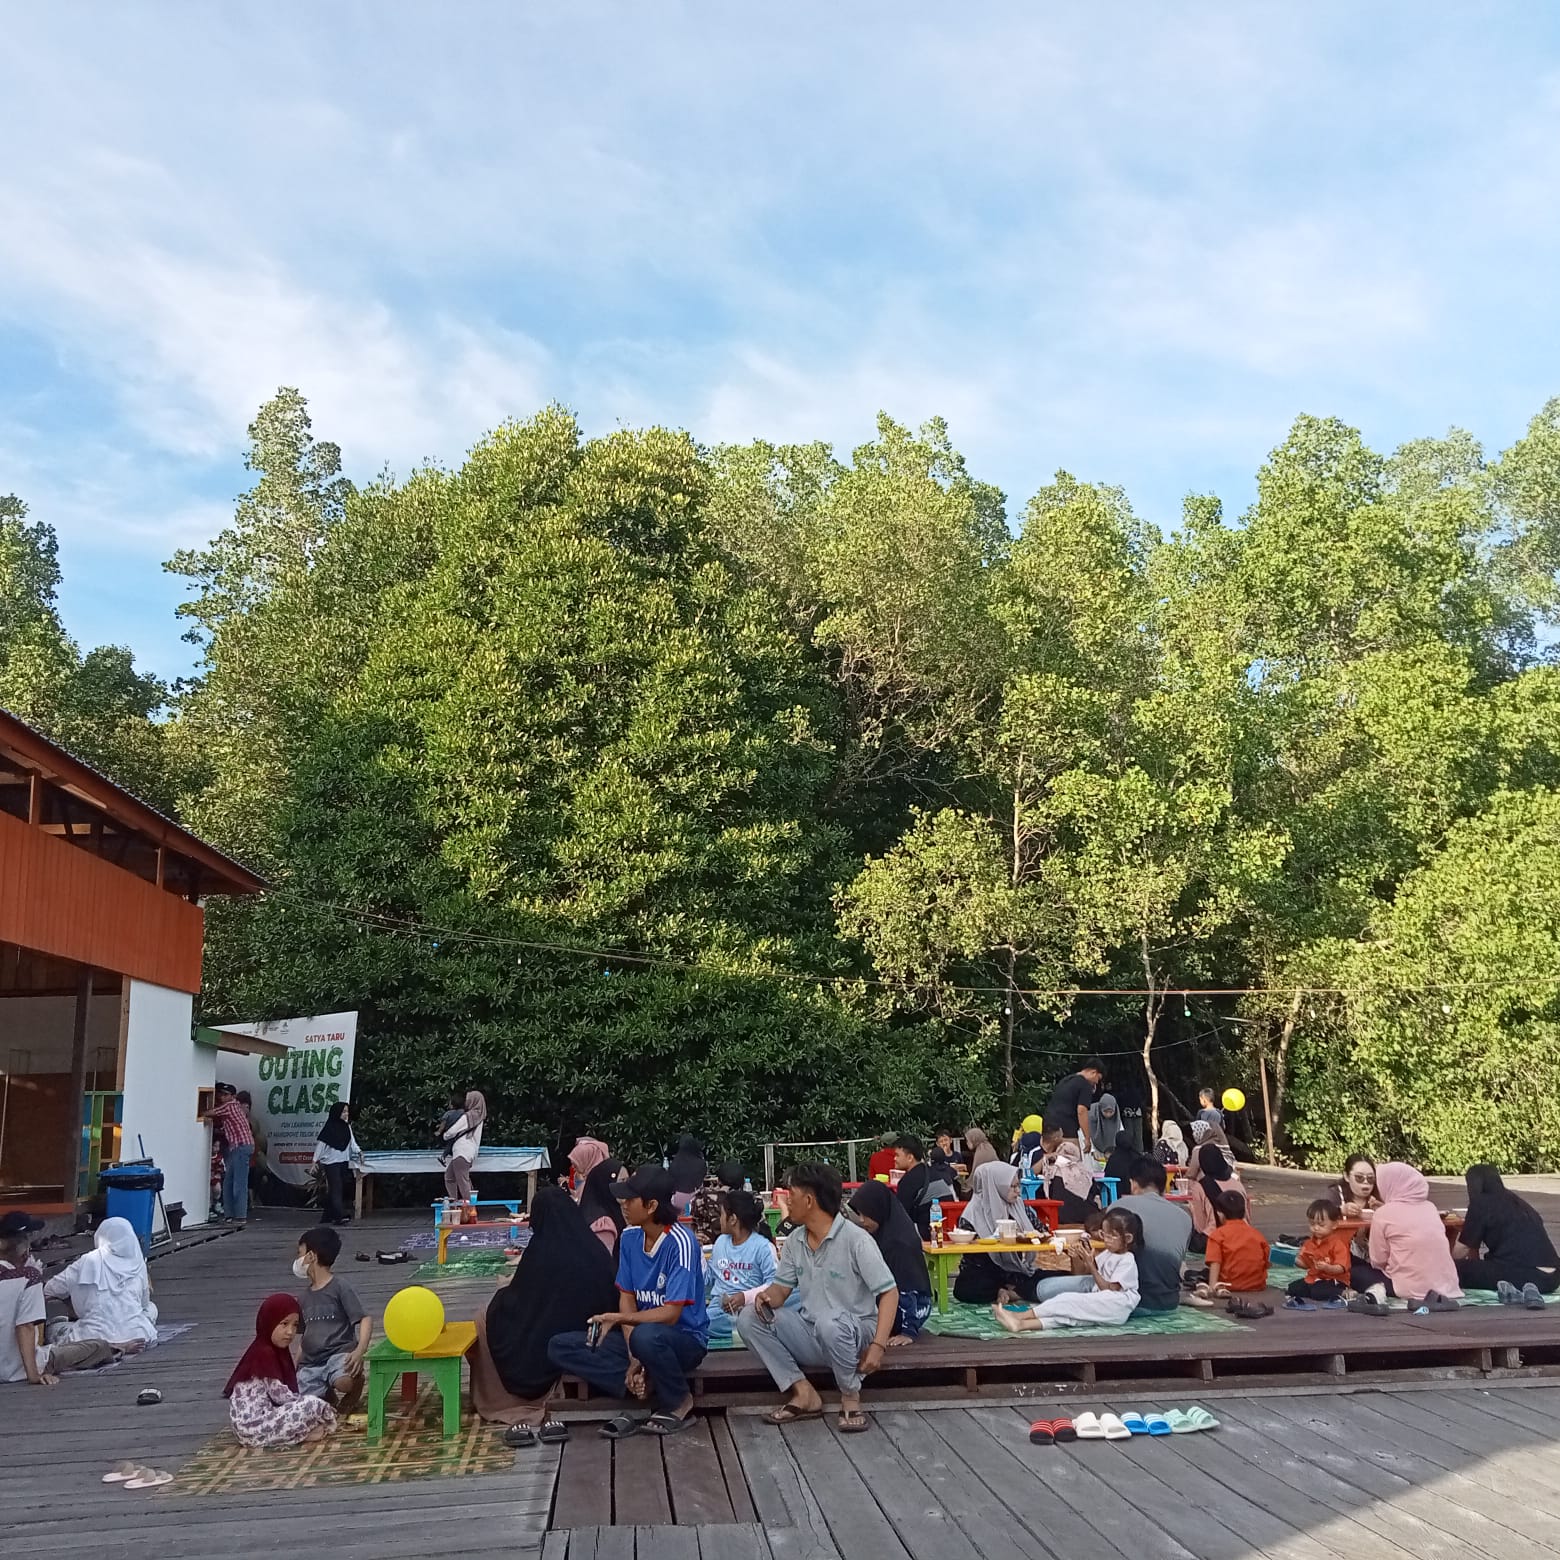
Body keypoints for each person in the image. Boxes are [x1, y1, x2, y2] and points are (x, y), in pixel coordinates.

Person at [547, 1165, 707, 1438]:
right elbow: (627, 1298)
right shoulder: (630, 1237)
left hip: (682, 1339)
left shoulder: (681, 1242)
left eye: (630, 1200)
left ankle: (680, 1400)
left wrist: (619, 1320)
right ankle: (639, 1382)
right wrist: (634, 1359)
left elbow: (670, 1314)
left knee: (646, 1337)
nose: (623, 1204)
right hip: (641, 1339)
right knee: (559, 1345)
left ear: (651, 1205)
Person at [737, 1162, 897, 1435]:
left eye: (791, 1194)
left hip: (854, 1333)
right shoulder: (796, 1240)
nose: (786, 1200)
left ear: (809, 1200)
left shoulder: (855, 1240)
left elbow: (889, 1292)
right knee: (748, 1317)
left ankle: (850, 1395)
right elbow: (781, 1291)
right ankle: (803, 1391)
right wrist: (765, 1298)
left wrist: (878, 1346)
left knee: (830, 1322)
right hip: (813, 1331)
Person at [475, 1186, 616, 1431]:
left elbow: (522, 1300)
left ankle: (506, 1397)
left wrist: (503, 1293)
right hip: (593, 1340)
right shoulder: (593, 1247)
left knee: (485, 1317)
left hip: (554, 1346)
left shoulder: (541, 1251)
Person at [993, 1208, 1143, 1332]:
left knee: (1067, 1301)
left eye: (1112, 1237)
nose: (1106, 1240)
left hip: (1116, 1304)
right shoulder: (1109, 1253)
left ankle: (1020, 1316)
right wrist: (1081, 1258)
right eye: (1104, 1235)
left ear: (1128, 1239)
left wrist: (1091, 1265)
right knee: (1071, 1317)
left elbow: (1108, 1288)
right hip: (1104, 1301)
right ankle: (1022, 1325)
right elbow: (1086, 1272)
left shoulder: (1127, 1260)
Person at [225, 1294, 336, 1447]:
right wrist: (316, 1405)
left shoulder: (267, 1350)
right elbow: (280, 1396)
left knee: (305, 1405)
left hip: (250, 1429)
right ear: (269, 1323)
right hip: (254, 1427)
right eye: (284, 1324)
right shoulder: (264, 1353)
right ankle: (304, 1433)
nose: (290, 1332)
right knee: (311, 1403)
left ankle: (299, 1434)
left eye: (295, 1325)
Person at [1353, 1162, 1462, 1314]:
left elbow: (1378, 1260)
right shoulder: (1430, 1208)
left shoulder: (1383, 1214)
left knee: (1354, 1271)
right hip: (1445, 1287)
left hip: (1407, 1288)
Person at [43, 1215, 158, 1349]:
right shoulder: (138, 1264)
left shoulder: (87, 1261)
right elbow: (144, 1304)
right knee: (151, 1309)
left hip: (91, 1337)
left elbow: (50, 1289)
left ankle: (110, 1346)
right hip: (138, 1335)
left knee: (53, 1328)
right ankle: (119, 1342)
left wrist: (69, 1300)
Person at [1452, 1164, 1559, 1301]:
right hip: (1553, 1277)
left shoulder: (1481, 1203)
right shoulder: (1518, 1202)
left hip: (1527, 1275)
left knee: (1456, 1270)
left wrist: (1446, 1263)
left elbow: (1462, 1250)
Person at [293, 1225, 371, 1406]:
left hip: (338, 1354)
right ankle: (327, 1396)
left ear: (311, 1256)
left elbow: (364, 1318)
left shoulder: (339, 1287)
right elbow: (305, 1337)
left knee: (343, 1381)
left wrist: (359, 1351)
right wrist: (294, 1366)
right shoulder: (303, 1297)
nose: (298, 1260)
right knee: (303, 1400)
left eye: (300, 1254)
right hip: (311, 1363)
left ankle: (354, 1385)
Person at [848, 1179, 932, 1345]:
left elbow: (909, 1290)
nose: (862, 1220)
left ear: (878, 1210)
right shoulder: (883, 1234)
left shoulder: (898, 1243)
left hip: (910, 1309)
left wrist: (909, 1331)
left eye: (866, 1214)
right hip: (893, 1305)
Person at [954, 1161, 1043, 1304]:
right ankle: (1005, 1291)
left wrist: (1024, 1236)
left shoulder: (1018, 1205)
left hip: (1016, 1269)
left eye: (1018, 1186)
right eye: (1013, 1187)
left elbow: (1040, 1230)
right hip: (985, 1271)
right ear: (995, 1187)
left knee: (1054, 1278)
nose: (1018, 1191)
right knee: (965, 1288)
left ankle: (1015, 1291)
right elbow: (970, 1251)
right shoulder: (972, 1213)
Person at [1114, 1158, 1192, 1314]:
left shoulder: (1120, 1208)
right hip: (1168, 1302)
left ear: (1133, 1183)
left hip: (1127, 1301)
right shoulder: (1185, 1216)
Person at [704, 1191, 778, 1340]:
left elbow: (775, 1284)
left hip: (749, 1309)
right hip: (717, 1312)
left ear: (733, 1219)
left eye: (722, 1215)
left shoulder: (763, 1247)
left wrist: (744, 1297)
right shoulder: (720, 1242)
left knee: (708, 1324)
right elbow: (708, 1278)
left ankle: (748, 1327)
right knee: (701, 1321)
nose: (720, 1220)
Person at [1198, 1191, 1270, 1299]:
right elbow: (1267, 1261)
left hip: (1228, 1284)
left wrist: (1212, 1287)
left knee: (1199, 1275)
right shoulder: (1257, 1234)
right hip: (1256, 1284)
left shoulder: (1217, 1235)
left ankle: (1215, 1288)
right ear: (1244, 1212)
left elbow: (1215, 1263)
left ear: (1220, 1214)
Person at [202, 1083, 254, 1227]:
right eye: (221, 1094)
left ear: (232, 1096)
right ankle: (230, 1215)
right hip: (239, 1147)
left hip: (241, 1147)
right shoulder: (236, 1106)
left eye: (225, 1094)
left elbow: (208, 1113)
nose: (222, 1097)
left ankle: (240, 1216)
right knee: (229, 1182)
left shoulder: (229, 1106)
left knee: (239, 1183)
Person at [1285, 1200, 1352, 1307]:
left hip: (1334, 1280)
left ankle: (1344, 1293)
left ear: (1334, 1225)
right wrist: (1291, 1259)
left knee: (1318, 1291)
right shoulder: (1309, 1243)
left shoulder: (1338, 1244)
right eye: (1312, 1224)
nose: (1315, 1228)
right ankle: (1315, 1292)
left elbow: (1341, 1268)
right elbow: (1306, 1265)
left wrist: (1327, 1267)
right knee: (1293, 1288)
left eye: (1321, 1225)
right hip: (1315, 1278)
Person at [1185, 1143, 1244, 1255]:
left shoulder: (1200, 1187)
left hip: (1214, 1238)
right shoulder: (1238, 1185)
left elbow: (1200, 1225)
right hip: (1241, 1236)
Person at [313, 1101, 363, 1226]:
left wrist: (360, 1152)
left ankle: (328, 1215)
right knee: (336, 1188)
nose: (346, 1114)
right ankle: (338, 1216)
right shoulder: (329, 1128)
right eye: (343, 1111)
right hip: (331, 1162)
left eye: (347, 1111)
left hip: (343, 1161)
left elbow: (352, 1142)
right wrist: (314, 1161)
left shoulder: (347, 1127)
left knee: (338, 1188)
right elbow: (321, 1145)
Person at [1042, 1058, 1104, 1151]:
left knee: (1050, 1160)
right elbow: (1082, 1111)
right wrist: (1087, 1138)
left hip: (1048, 1128)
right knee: (1071, 1160)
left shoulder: (1066, 1080)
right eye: (1098, 1078)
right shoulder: (1085, 1085)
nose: (1096, 1082)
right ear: (1093, 1072)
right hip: (1066, 1130)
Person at [442, 1090, 486, 1202]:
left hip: (461, 1151)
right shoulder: (480, 1117)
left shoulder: (469, 1116)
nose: (466, 1102)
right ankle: (455, 1204)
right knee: (450, 1176)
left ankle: (470, 1209)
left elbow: (452, 1131)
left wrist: (445, 1136)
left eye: (468, 1100)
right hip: (470, 1152)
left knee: (462, 1181)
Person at [579, 1157, 628, 1256]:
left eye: (628, 1181)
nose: (627, 1187)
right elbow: (603, 1264)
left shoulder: (611, 1210)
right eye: (622, 1181)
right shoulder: (603, 1225)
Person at [691, 1161, 746, 1246]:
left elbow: (693, 1222)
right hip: (741, 1246)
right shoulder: (750, 1200)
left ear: (718, 1181)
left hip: (706, 1245)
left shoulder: (703, 1197)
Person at [892, 1135, 933, 1241]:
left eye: (897, 1155)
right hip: (943, 1230)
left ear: (910, 1157)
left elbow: (900, 1216)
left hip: (924, 1233)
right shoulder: (932, 1172)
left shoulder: (907, 1181)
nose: (894, 1159)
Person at [1048, 1140, 1098, 1226]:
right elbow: (1094, 1192)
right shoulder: (1084, 1171)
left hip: (1062, 1217)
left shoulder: (1053, 1172)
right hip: (1087, 1216)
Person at [668, 1136, 708, 1216]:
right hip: (693, 1202)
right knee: (687, 1214)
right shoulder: (701, 1164)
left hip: (675, 1202)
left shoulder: (674, 1164)